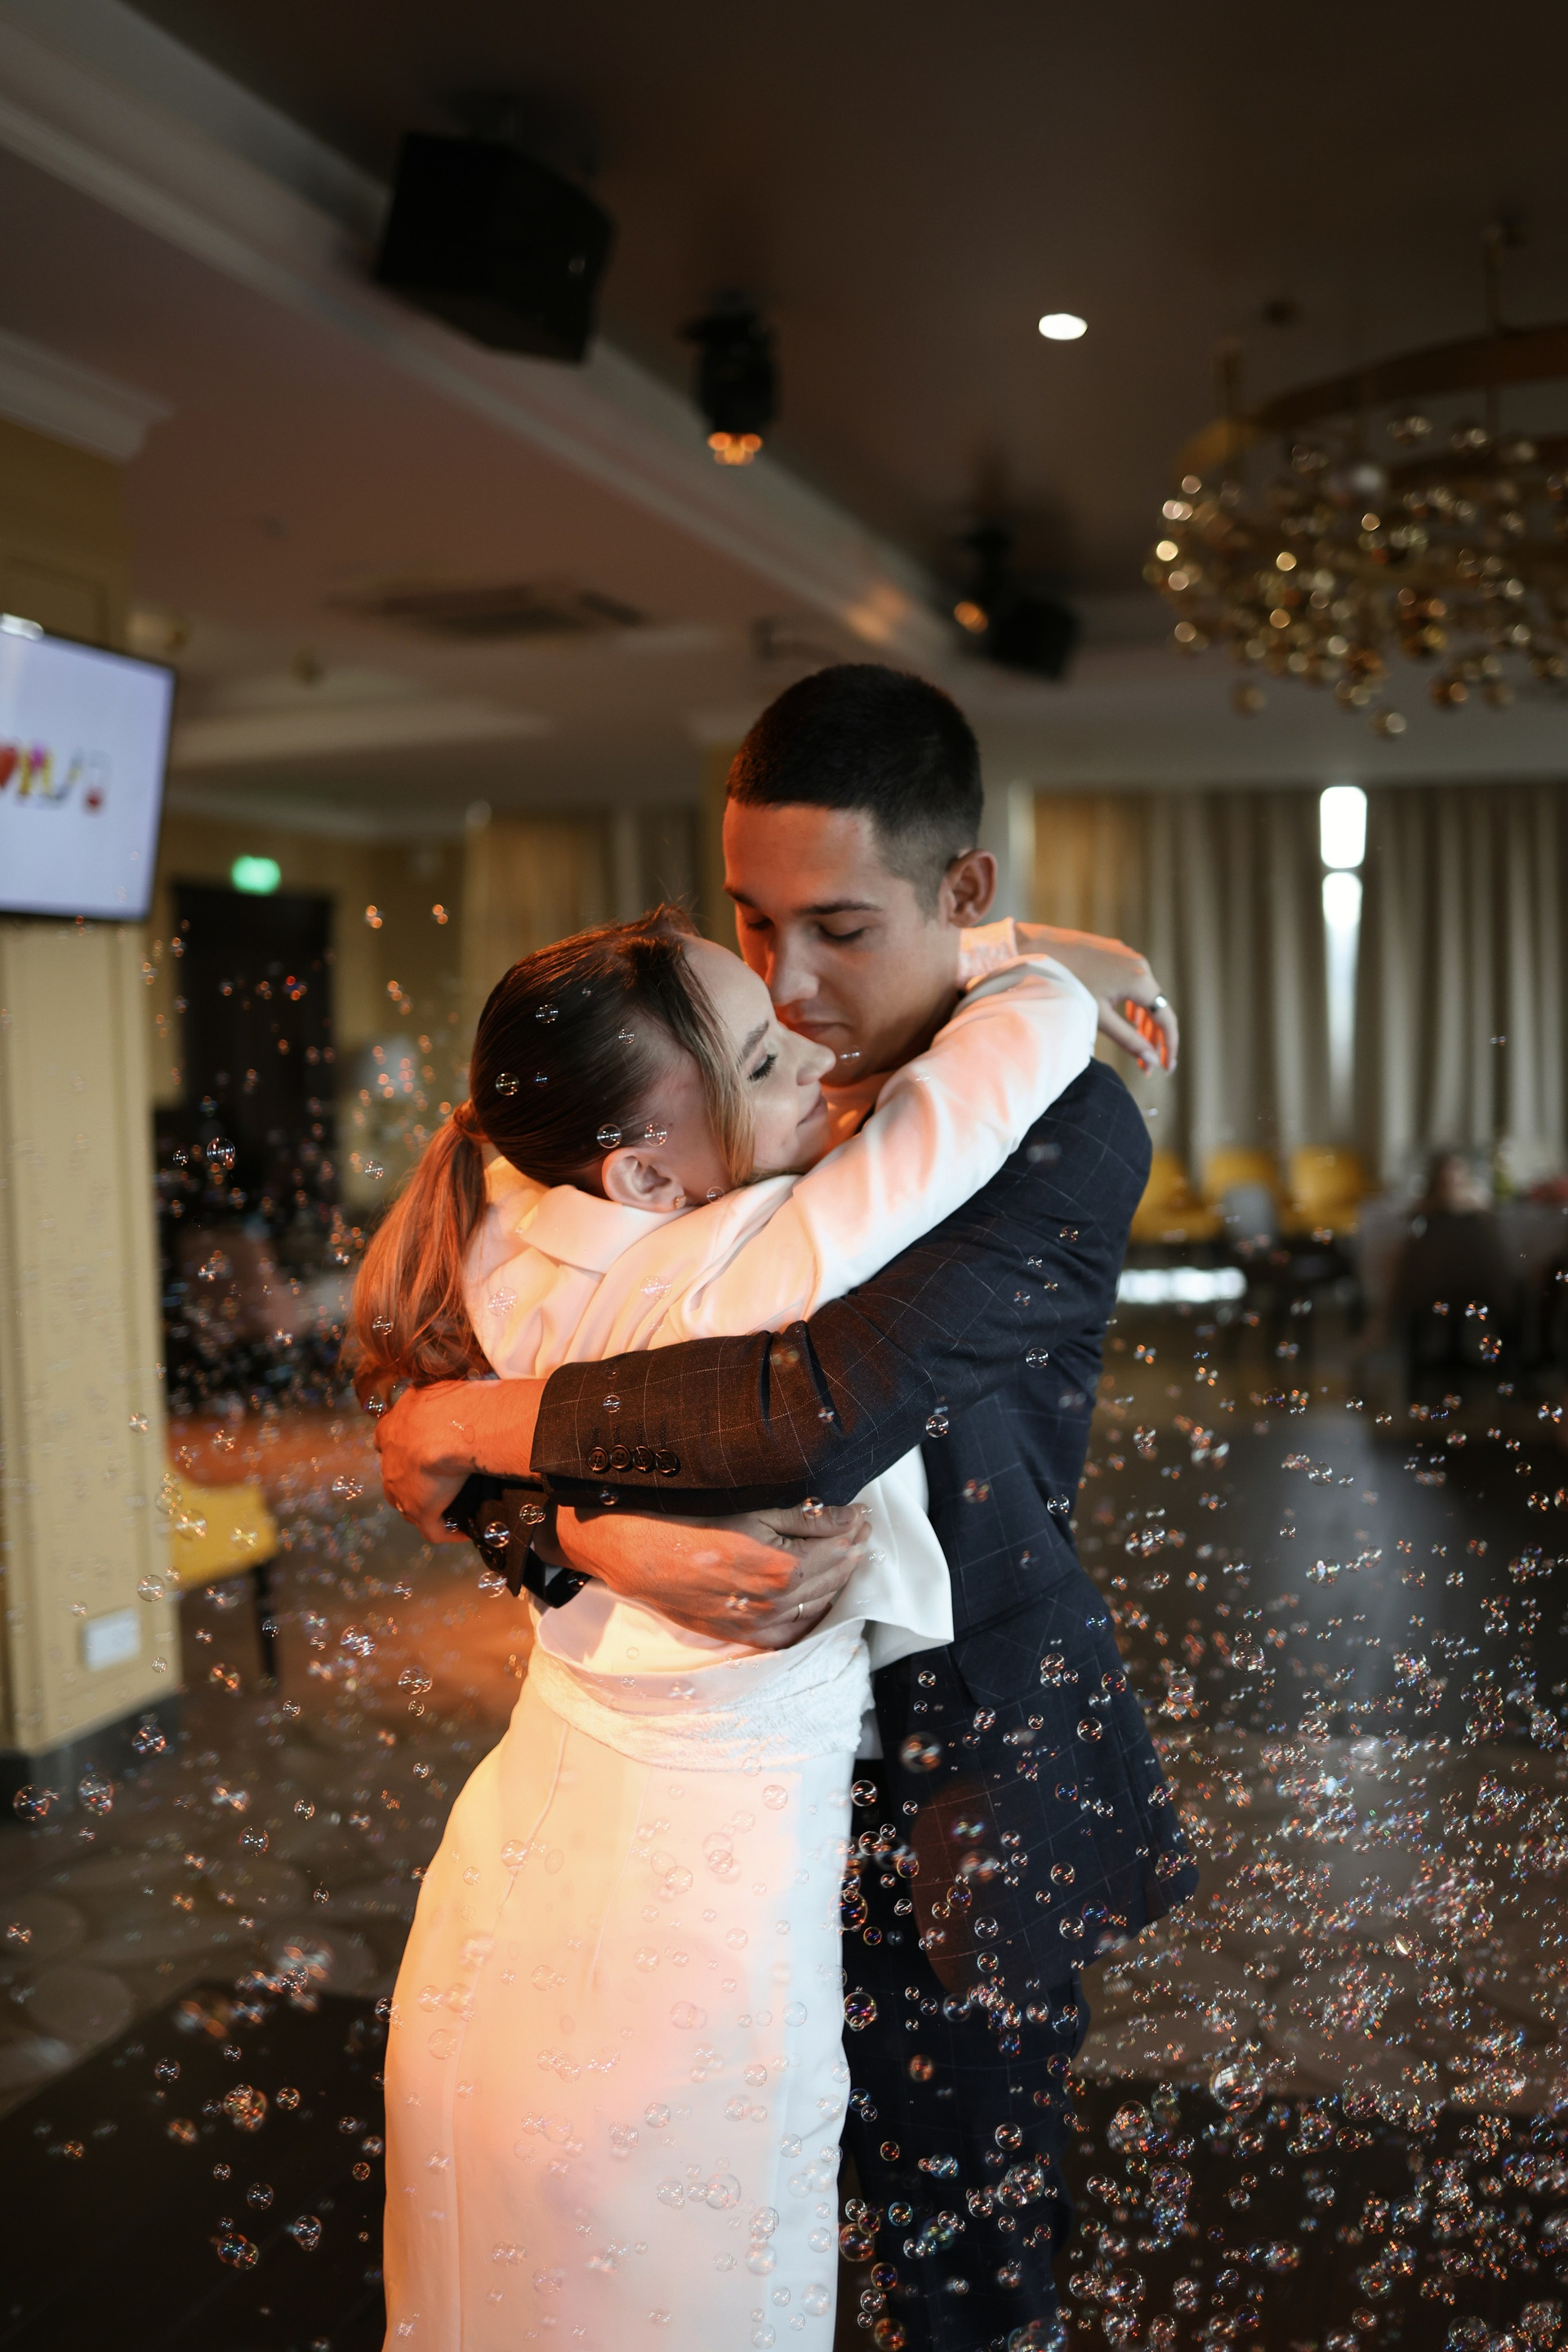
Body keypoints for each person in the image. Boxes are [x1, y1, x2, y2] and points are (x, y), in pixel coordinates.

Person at [376, 665, 1197, 2351]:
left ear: (962, 896)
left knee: (965, 2275)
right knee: (706, 2245)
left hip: (960, 1788)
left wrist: (460, 1425)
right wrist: (574, 1532)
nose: (790, 983)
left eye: (839, 928)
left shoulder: (1059, 1120)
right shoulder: (709, 1085)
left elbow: (802, 1409)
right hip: (708, 1817)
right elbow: (546, 1350)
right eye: (754, 922)